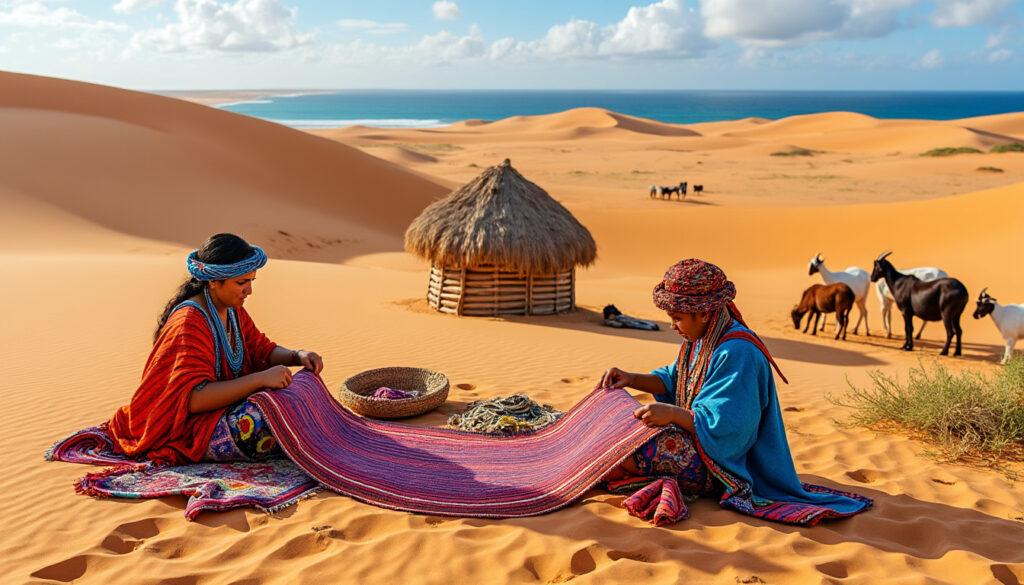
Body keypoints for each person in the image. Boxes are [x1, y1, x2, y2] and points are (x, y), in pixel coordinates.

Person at [599, 259, 870, 525]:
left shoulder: (738, 352)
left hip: (722, 464)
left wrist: (671, 413)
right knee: (616, 423)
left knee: (631, 451)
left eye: (677, 318)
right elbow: (674, 379)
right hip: (696, 440)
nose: (673, 326)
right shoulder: (702, 337)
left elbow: (729, 429)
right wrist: (631, 378)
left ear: (704, 313)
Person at [106, 233, 323, 466]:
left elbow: (261, 349)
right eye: (241, 283)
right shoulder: (189, 322)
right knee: (259, 424)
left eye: (252, 281)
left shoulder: (231, 309)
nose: (249, 291)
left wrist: (297, 356)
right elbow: (194, 399)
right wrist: (261, 380)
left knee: (303, 388)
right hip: (184, 427)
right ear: (213, 281)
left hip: (221, 411)